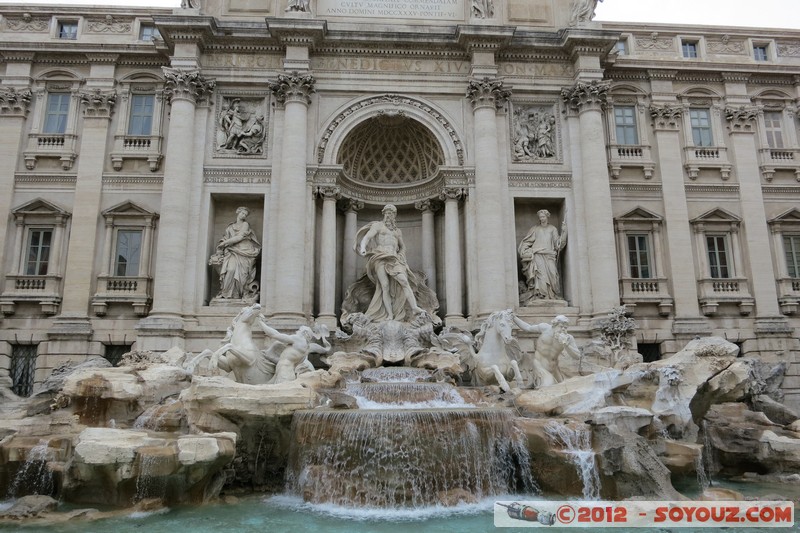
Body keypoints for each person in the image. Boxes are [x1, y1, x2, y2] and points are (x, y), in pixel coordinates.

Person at [356, 204, 425, 322]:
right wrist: (363, 247)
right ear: (383, 214)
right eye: (387, 213)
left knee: (404, 281)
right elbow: (367, 237)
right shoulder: (378, 226)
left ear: (395, 215)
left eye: (391, 213)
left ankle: (414, 308)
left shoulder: (397, 231)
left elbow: (402, 247)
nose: (389, 215)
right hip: (380, 257)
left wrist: (401, 256)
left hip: (394, 259)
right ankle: (389, 315)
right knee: (385, 286)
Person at [512, 314, 581, 387]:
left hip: (554, 368)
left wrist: (566, 345)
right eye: (561, 326)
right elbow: (527, 328)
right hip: (540, 364)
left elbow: (577, 356)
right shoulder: (545, 328)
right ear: (554, 325)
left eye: (565, 327)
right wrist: (514, 318)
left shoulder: (568, 338)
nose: (563, 329)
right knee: (549, 386)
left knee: (563, 388)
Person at [211, 207, 261, 300]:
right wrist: (222, 244)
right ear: (238, 213)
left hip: (244, 251)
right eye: (242, 213)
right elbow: (225, 237)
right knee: (230, 270)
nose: (244, 216)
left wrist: (225, 243)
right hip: (232, 251)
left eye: (245, 215)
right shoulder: (230, 227)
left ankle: (238, 295)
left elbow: (239, 237)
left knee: (243, 275)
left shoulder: (245, 224)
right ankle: (226, 294)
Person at [258, 320, 330, 385]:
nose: (296, 332)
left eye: (299, 330)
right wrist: (270, 357)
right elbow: (286, 360)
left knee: (280, 394)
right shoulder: (307, 348)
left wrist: (261, 323)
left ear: (305, 333)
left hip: (285, 372)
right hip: (285, 371)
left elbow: (275, 335)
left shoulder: (299, 339)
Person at [518, 209, 567, 300]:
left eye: (543, 217)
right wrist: (525, 250)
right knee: (540, 276)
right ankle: (541, 296)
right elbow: (526, 242)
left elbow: (558, 244)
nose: (542, 219)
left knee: (553, 274)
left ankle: (552, 294)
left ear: (547, 217)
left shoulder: (552, 229)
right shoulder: (535, 229)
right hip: (538, 255)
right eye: (540, 217)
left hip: (550, 255)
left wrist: (564, 232)